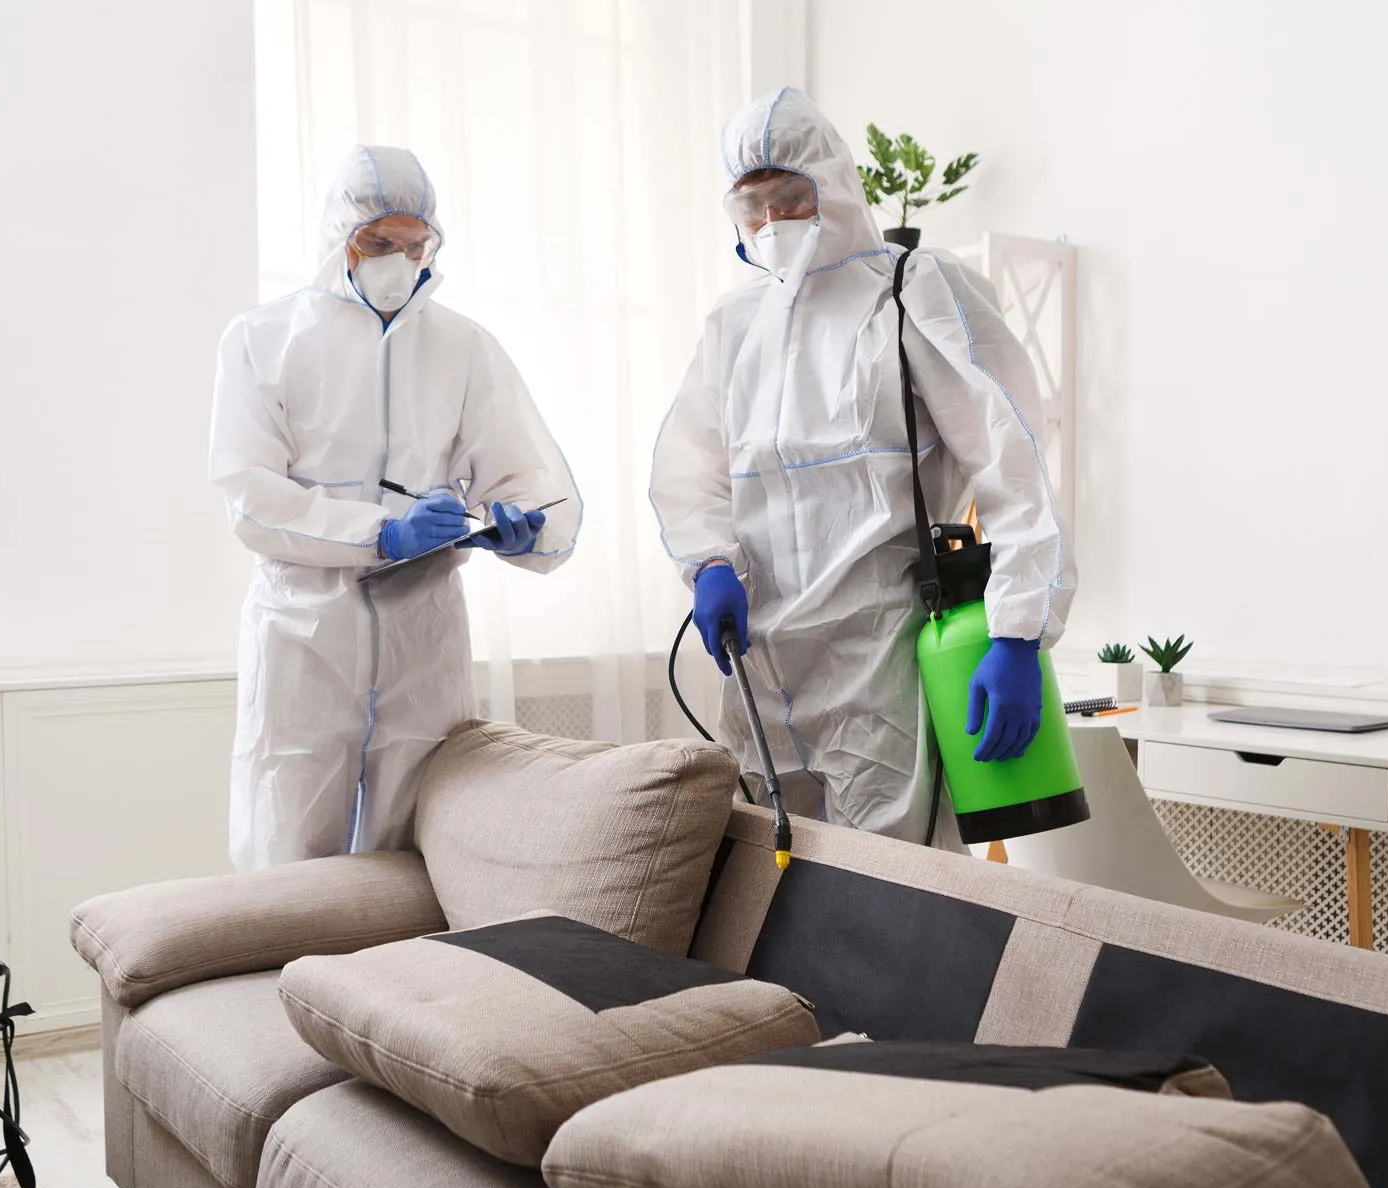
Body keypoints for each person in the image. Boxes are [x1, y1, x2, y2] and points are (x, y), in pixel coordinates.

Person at [649, 88, 1072, 848]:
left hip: (875, 660)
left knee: (893, 893)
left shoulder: (910, 291)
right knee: (763, 882)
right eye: (752, 207)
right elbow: (691, 466)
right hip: (761, 667)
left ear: (835, 187)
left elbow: (1012, 463)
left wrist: (1016, 634)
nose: (771, 223)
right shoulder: (734, 325)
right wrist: (709, 561)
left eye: (790, 198)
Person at [212, 145, 580, 869]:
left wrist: (520, 524)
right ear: (338, 236)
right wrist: (380, 533)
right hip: (305, 633)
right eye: (379, 242)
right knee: (288, 850)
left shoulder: (463, 346)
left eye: (417, 246)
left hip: (423, 638)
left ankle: (398, 986)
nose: (400, 262)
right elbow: (251, 499)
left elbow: (527, 473)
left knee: (416, 853)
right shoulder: (263, 339)